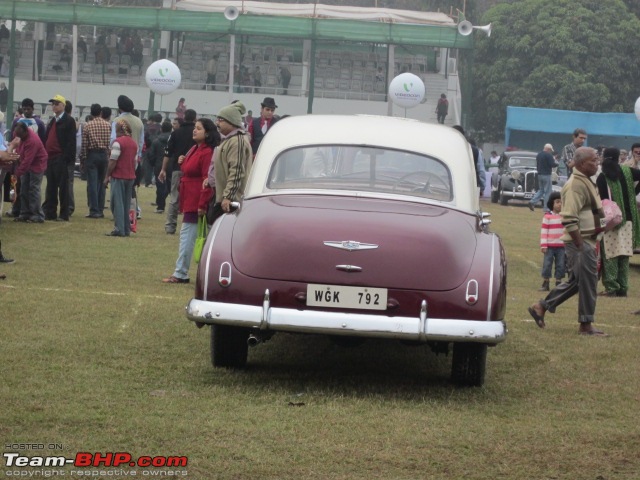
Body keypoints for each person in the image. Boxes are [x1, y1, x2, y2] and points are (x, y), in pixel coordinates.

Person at [528, 147, 608, 336]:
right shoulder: (575, 185)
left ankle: (541, 306)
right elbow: (569, 218)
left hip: (585, 241)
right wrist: (581, 245)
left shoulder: (585, 180)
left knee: (578, 282)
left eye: (598, 160)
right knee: (588, 282)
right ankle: (586, 325)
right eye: (593, 161)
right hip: (580, 242)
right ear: (581, 164)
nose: (597, 164)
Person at [162, 118, 220, 284]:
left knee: (188, 237)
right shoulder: (195, 148)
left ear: (207, 133)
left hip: (197, 201)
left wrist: (202, 204)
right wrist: (183, 161)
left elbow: (207, 179)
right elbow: (189, 169)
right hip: (189, 199)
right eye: (195, 128)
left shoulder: (207, 152)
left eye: (199, 128)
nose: (195, 131)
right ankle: (183, 271)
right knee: (188, 235)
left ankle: (181, 272)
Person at [595, 147, 640, 297]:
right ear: (618, 158)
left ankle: (611, 287)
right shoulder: (628, 172)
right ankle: (623, 288)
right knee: (624, 255)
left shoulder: (603, 176)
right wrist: (634, 192)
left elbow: (602, 200)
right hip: (628, 220)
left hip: (611, 221)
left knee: (610, 254)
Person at [212, 101, 252, 223]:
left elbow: (237, 171)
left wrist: (228, 196)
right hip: (225, 198)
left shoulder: (237, 141)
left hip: (232, 201)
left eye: (221, 120)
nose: (217, 123)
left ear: (231, 121)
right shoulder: (229, 140)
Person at [158, 109, 196, 234]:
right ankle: (190, 226)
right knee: (193, 198)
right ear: (195, 119)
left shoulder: (175, 133)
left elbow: (167, 153)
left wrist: (163, 169)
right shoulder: (198, 133)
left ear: (184, 118)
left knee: (174, 197)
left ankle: (170, 226)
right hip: (195, 170)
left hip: (177, 168)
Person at [43, 94, 76, 222]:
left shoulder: (68, 120)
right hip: (50, 158)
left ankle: (63, 214)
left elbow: (71, 141)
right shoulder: (53, 120)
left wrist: (67, 158)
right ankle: (50, 212)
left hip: (61, 158)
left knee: (63, 188)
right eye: (53, 104)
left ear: (63, 105)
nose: (54, 106)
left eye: (56, 104)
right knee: (50, 186)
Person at [104, 120, 137, 237]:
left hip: (119, 176)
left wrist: (107, 176)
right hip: (130, 176)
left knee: (116, 203)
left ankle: (119, 229)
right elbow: (135, 162)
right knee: (126, 204)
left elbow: (113, 161)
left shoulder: (117, 143)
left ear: (119, 129)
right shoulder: (133, 143)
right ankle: (126, 229)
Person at [12, 122, 48, 223]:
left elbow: (27, 162)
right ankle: (24, 213)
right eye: (17, 135)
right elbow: (16, 146)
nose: (19, 138)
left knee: (34, 189)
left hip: (37, 164)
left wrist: (17, 174)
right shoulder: (18, 134)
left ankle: (37, 215)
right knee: (24, 188)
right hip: (25, 162)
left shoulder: (32, 141)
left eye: (20, 136)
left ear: (26, 131)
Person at [80, 103, 111, 218]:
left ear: (91, 113)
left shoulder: (87, 125)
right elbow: (109, 142)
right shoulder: (108, 125)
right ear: (101, 112)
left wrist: (83, 159)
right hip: (104, 155)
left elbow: (84, 145)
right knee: (102, 183)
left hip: (92, 154)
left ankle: (94, 210)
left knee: (92, 183)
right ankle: (101, 209)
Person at [537, 191, 565, 291]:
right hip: (549, 246)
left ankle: (559, 282)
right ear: (551, 203)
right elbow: (544, 232)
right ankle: (546, 282)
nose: (560, 204)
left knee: (561, 264)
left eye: (562, 202)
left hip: (562, 246)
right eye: (557, 202)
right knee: (547, 264)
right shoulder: (547, 217)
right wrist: (543, 245)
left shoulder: (565, 216)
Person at [148, 120, 172, 214]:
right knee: (171, 186)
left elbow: (151, 154)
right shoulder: (173, 140)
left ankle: (160, 206)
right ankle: (175, 205)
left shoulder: (156, 141)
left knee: (160, 186)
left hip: (158, 165)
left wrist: (153, 164)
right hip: (171, 165)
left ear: (161, 129)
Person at [528, 143, 557, 211]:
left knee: (541, 190)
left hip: (539, 174)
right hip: (546, 175)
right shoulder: (549, 155)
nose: (550, 151)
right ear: (548, 149)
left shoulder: (539, 155)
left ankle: (532, 202)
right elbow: (552, 164)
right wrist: (556, 164)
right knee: (547, 192)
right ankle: (546, 208)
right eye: (550, 150)